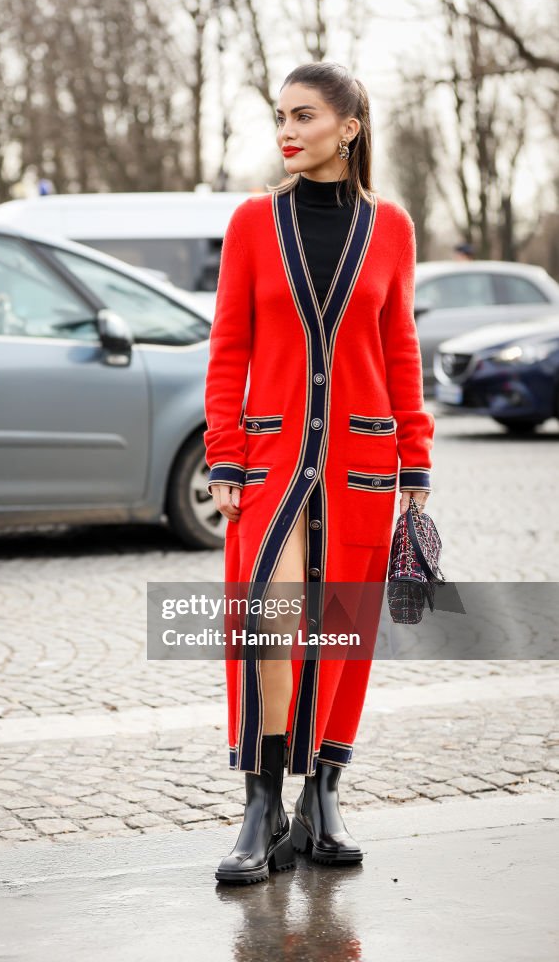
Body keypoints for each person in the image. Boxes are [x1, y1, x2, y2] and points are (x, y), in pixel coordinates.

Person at [204, 61, 434, 885]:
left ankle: (323, 796)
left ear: (349, 128)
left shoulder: (392, 228)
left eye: (304, 116)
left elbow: (398, 348)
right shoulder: (251, 223)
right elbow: (228, 344)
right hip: (270, 463)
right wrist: (223, 451)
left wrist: (416, 456)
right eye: (279, 117)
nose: (286, 132)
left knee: (340, 633)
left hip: (362, 465)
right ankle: (260, 807)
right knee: (270, 627)